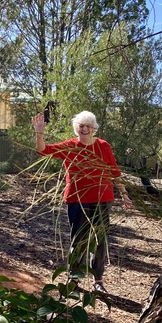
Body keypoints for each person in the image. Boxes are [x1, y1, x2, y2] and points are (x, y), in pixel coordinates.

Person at [32, 110, 134, 293]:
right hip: (77, 199)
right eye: (81, 125)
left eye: (88, 125)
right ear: (76, 128)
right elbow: (43, 151)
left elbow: (114, 171)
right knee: (78, 239)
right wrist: (39, 133)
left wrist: (124, 194)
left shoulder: (103, 146)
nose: (84, 128)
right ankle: (74, 278)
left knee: (100, 240)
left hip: (102, 199)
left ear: (94, 128)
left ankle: (98, 280)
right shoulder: (70, 146)